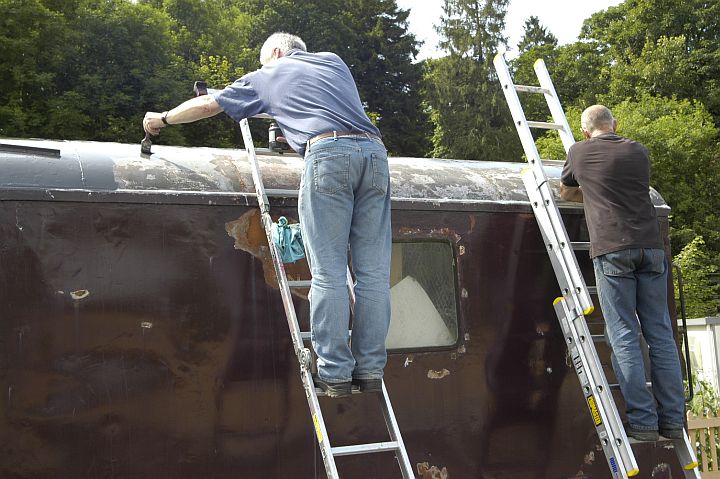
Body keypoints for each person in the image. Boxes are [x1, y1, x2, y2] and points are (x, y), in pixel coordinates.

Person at [143, 32, 391, 398]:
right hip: (375, 156)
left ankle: (336, 372)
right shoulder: (334, 61)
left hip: (328, 156)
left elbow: (209, 105)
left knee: (329, 272)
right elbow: (319, 105)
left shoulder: (269, 75)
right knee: (373, 275)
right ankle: (370, 370)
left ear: (276, 52)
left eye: (264, 61)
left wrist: (161, 118)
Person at [559, 105, 686, 442]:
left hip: (613, 248)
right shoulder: (638, 151)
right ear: (615, 124)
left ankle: (643, 424)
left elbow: (567, 186)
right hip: (651, 248)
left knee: (624, 334)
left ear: (585, 131)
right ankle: (672, 420)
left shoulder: (578, 151)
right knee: (660, 334)